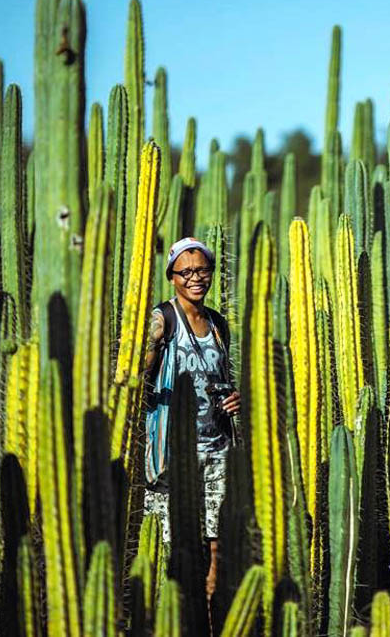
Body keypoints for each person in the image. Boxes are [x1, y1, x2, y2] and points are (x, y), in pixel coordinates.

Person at [143, 237, 240, 596]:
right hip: (172, 453)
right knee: (172, 547)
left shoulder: (217, 323)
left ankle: (211, 619)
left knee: (217, 545)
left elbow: (223, 376)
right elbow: (139, 373)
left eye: (202, 269)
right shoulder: (162, 319)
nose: (196, 277)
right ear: (172, 276)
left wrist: (233, 398)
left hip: (217, 449)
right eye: (187, 271)